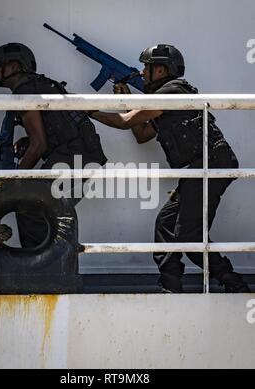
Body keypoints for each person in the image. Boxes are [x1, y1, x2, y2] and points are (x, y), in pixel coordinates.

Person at [89, 44, 250, 293]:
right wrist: (128, 101)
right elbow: (142, 134)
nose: (142, 73)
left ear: (161, 70)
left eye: (146, 67)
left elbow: (124, 122)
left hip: (210, 165)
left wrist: (87, 109)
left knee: (190, 236)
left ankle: (234, 284)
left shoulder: (172, 92)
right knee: (165, 225)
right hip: (199, 168)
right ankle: (171, 286)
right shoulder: (163, 101)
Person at [0, 42, 107, 248]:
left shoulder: (25, 92)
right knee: (41, 206)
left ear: (16, 67)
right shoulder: (39, 85)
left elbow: (39, 145)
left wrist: (11, 182)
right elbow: (54, 127)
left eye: (0, 66)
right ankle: (49, 263)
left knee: (30, 204)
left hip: (74, 158)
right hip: (81, 156)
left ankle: (42, 268)